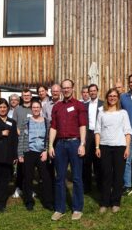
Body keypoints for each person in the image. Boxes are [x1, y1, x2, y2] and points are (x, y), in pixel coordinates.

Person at [49, 79, 87, 221]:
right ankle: (60, 209)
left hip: (74, 143)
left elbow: (83, 125)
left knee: (76, 177)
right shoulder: (57, 107)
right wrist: (50, 145)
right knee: (59, 178)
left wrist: (82, 144)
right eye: (63, 88)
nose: (66, 90)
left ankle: (77, 208)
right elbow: (53, 127)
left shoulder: (79, 105)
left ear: (72, 88)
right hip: (60, 145)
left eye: (68, 87)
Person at [95, 88, 132, 213]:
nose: (112, 98)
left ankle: (116, 202)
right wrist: (97, 147)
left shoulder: (123, 113)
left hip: (120, 147)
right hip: (104, 146)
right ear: (106, 97)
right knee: (106, 175)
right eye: (110, 95)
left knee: (118, 175)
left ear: (118, 98)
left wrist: (127, 148)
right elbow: (97, 131)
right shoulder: (101, 113)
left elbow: (127, 131)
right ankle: (104, 202)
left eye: (115, 96)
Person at [18, 101, 53, 211]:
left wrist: (46, 150)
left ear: (41, 108)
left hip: (41, 153)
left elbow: (48, 138)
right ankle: (29, 201)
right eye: (34, 107)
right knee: (28, 178)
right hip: (29, 152)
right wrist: (20, 153)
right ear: (31, 109)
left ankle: (48, 201)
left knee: (46, 178)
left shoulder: (47, 122)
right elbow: (22, 138)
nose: (36, 109)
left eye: (38, 107)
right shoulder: (26, 121)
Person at [11, 89, 33, 198]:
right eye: (24, 95)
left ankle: (29, 188)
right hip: (20, 141)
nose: (26, 97)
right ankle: (18, 188)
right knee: (20, 166)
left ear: (31, 96)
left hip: (32, 141)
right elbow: (13, 123)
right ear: (22, 97)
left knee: (30, 166)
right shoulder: (17, 109)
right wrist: (17, 130)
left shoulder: (35, 108)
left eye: (28, 95)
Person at [83, 83, 104, 193]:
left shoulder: (103, 104)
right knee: (87, 161)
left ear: (97, 91)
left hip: (99, 133)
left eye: (94, 90)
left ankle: (100, 185)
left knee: (98, 160)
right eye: (90, 91)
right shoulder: (85, 105)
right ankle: (87, 186)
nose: (92, 92)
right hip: (88, 134)